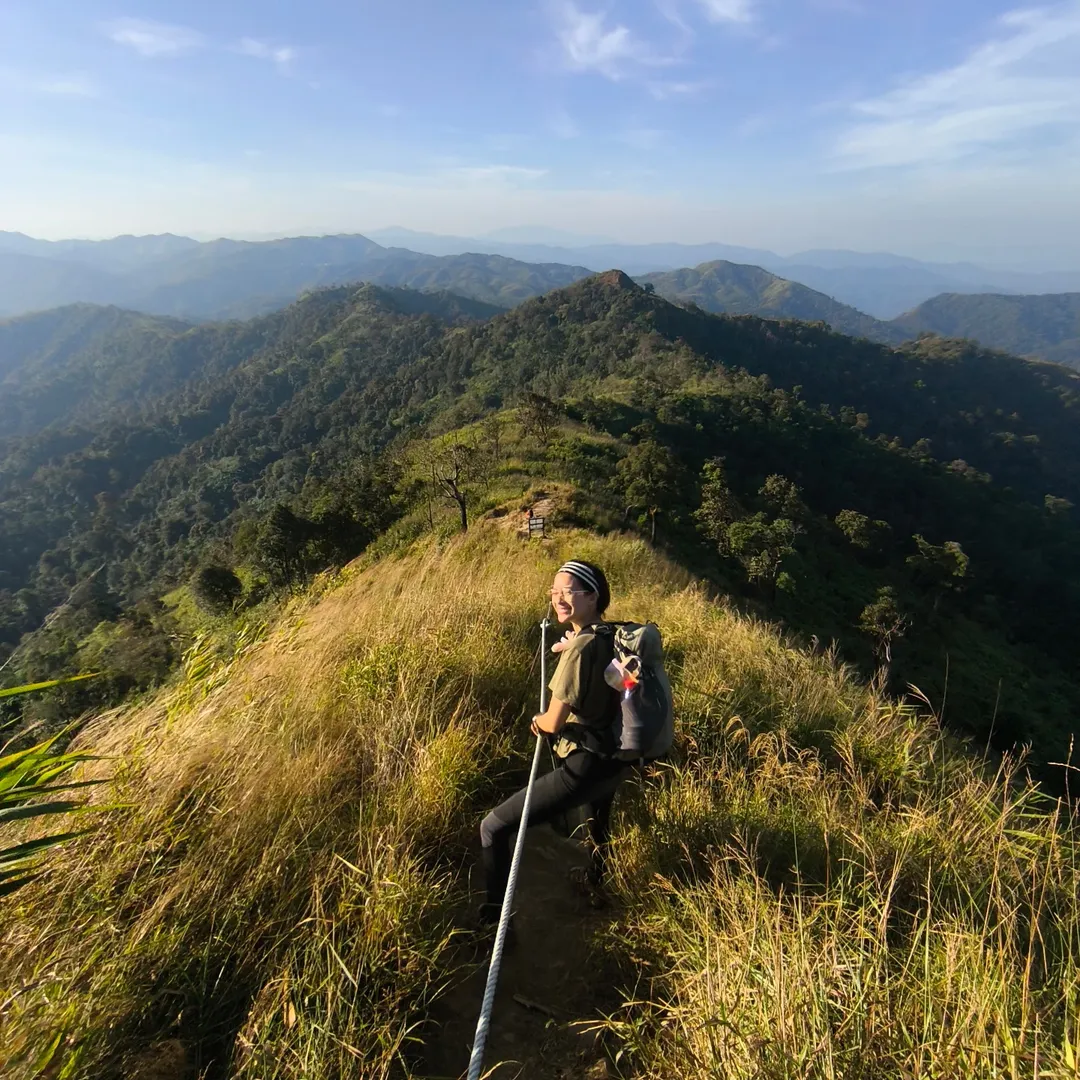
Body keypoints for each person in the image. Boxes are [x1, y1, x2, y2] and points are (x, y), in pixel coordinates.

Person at [478, 559, 632, 923]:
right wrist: (573, 649)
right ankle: (597, 885)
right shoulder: (609, 634)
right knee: (598, 823)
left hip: (584, 766)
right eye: (554, 591)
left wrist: (538, 720)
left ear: (593, 596)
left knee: (493, 827)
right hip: (614, 757)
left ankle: (493, 922)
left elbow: (552, 722)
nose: (558, 598)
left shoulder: (581, 648)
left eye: (568, 591)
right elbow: (614, 686)